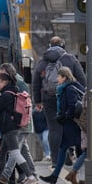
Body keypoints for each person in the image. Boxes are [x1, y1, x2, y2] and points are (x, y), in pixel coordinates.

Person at [31, 36, 85, 170]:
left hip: (48, 98)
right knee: (71, 124)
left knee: (54, 128)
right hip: (68, 95)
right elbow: (82, 79)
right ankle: (70, 151)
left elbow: (36, 81)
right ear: (63, 45)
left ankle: (55, 160)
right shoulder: (70, 59)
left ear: (49, 45)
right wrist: (82, 95)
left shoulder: (43, 61)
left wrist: (37, 100)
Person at [40, 66, 87, 184]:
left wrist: (64, 117)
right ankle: (75, 176)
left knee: (74, 148)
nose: (57, 79)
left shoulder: (69, 89)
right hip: (69, 123)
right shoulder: (66, 88)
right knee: (72, 148)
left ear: (64, 77)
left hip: (71, 124)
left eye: (58, 76)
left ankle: (68, 176)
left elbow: (72, 106)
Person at [0, 71, 37, 184]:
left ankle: (31, 177)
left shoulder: (6, 95)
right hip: (9, 128)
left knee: (15, 153)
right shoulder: (12, 92)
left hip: (9, 129)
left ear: (5, 82)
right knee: (2, 154)